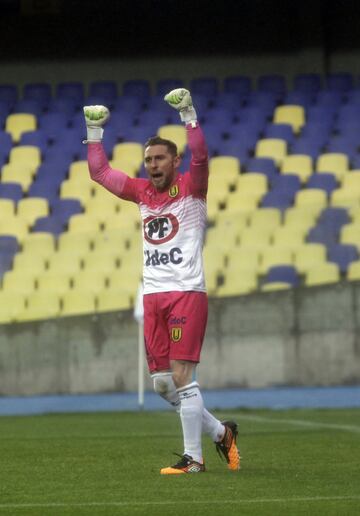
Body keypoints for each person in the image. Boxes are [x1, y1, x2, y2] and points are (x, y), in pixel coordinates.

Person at [83, 89, 240, 474]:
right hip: (153, 295)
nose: (152, 165)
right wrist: (94, 130)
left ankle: (194, 460)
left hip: (186, 292)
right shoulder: (141, 193)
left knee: (184, 376)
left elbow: (202, 155)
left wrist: (188, 114)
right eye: (148, 160)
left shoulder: (191, 188)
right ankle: (222, 433)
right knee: (162, 385)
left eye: (159, 158)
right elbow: (100, 173)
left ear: (175, 160)